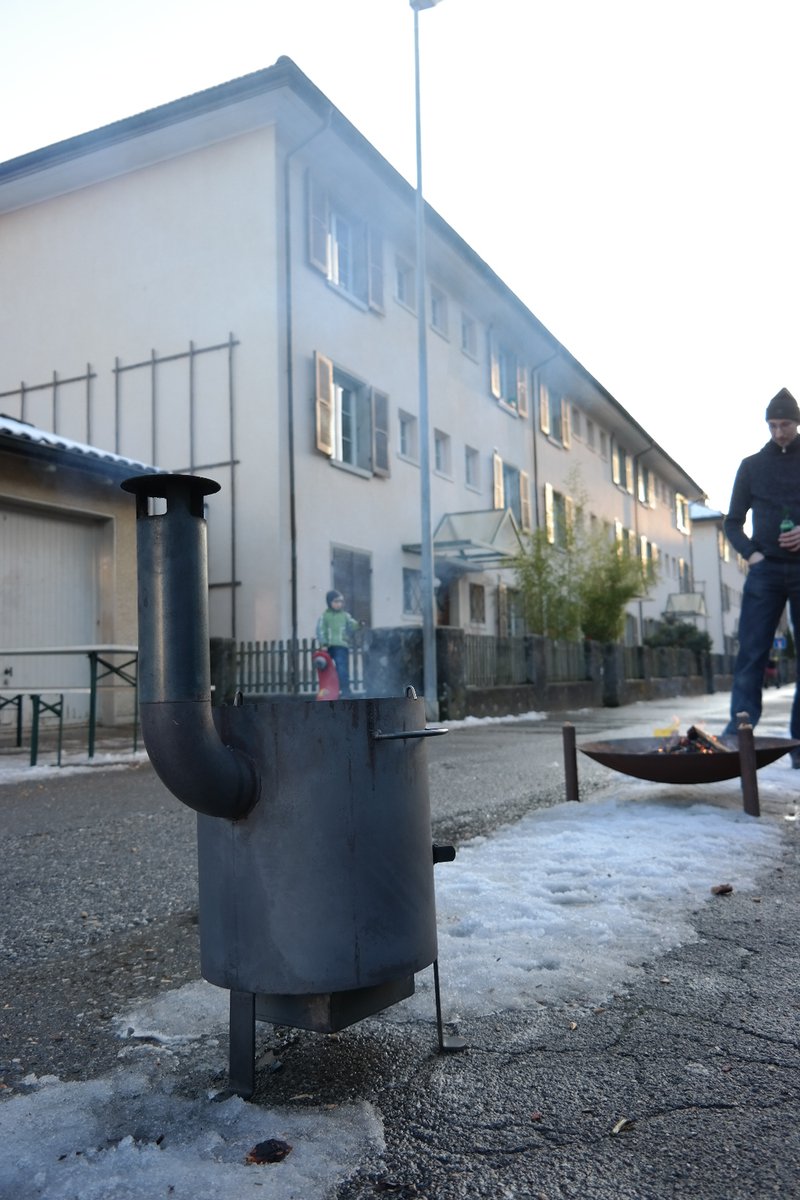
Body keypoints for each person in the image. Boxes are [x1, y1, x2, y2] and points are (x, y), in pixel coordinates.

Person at [722, 387, 800, 760]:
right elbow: (732, 522)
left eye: (785, 424)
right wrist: (751, 555)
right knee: (751, 653)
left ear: (796, 422)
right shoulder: (751, 466)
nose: (779, 432)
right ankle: (740, 732)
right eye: (773, 425)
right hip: (765, 572)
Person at [315, 590, 360, 697]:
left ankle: (345, 691)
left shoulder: (345, 615)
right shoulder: (324, 616)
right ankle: (327, 691)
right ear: (329, 602)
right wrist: (324, 643)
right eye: (336, 601)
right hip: (328, 647)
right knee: (326, 669)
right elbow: (321, 630)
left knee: (342, 669)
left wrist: (359, 624)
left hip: (341, 646)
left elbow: (351, 624)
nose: (339, 604)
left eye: (341, 601)